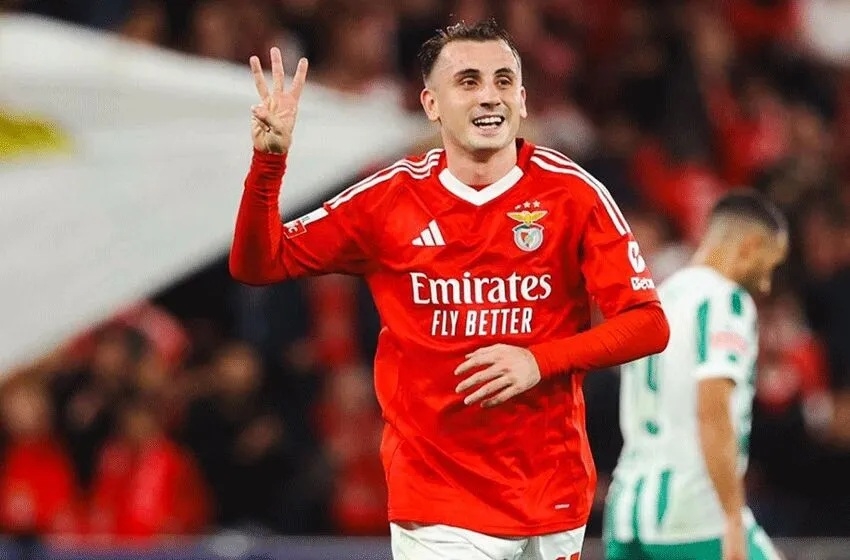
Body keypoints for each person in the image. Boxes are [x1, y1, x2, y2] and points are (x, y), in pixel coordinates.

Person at [230, 19, 670, 560]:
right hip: (438, 500)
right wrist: (269, 164)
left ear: (523, 99)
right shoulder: (388, 199)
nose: (489, 95)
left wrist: (539, 361)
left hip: (551, 494)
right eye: (468, 81)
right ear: (431, 104)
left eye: (504, 81)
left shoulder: (574, 195)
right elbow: (259, 262)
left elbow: (649, 324)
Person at [603, 190, 789, 560]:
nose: (766, 283)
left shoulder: (655, 300)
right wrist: (732, 518)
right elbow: (712, 409)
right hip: (692, 511)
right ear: (750, 247)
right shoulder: (725, 301)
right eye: (768, 265)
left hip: (628, 508)